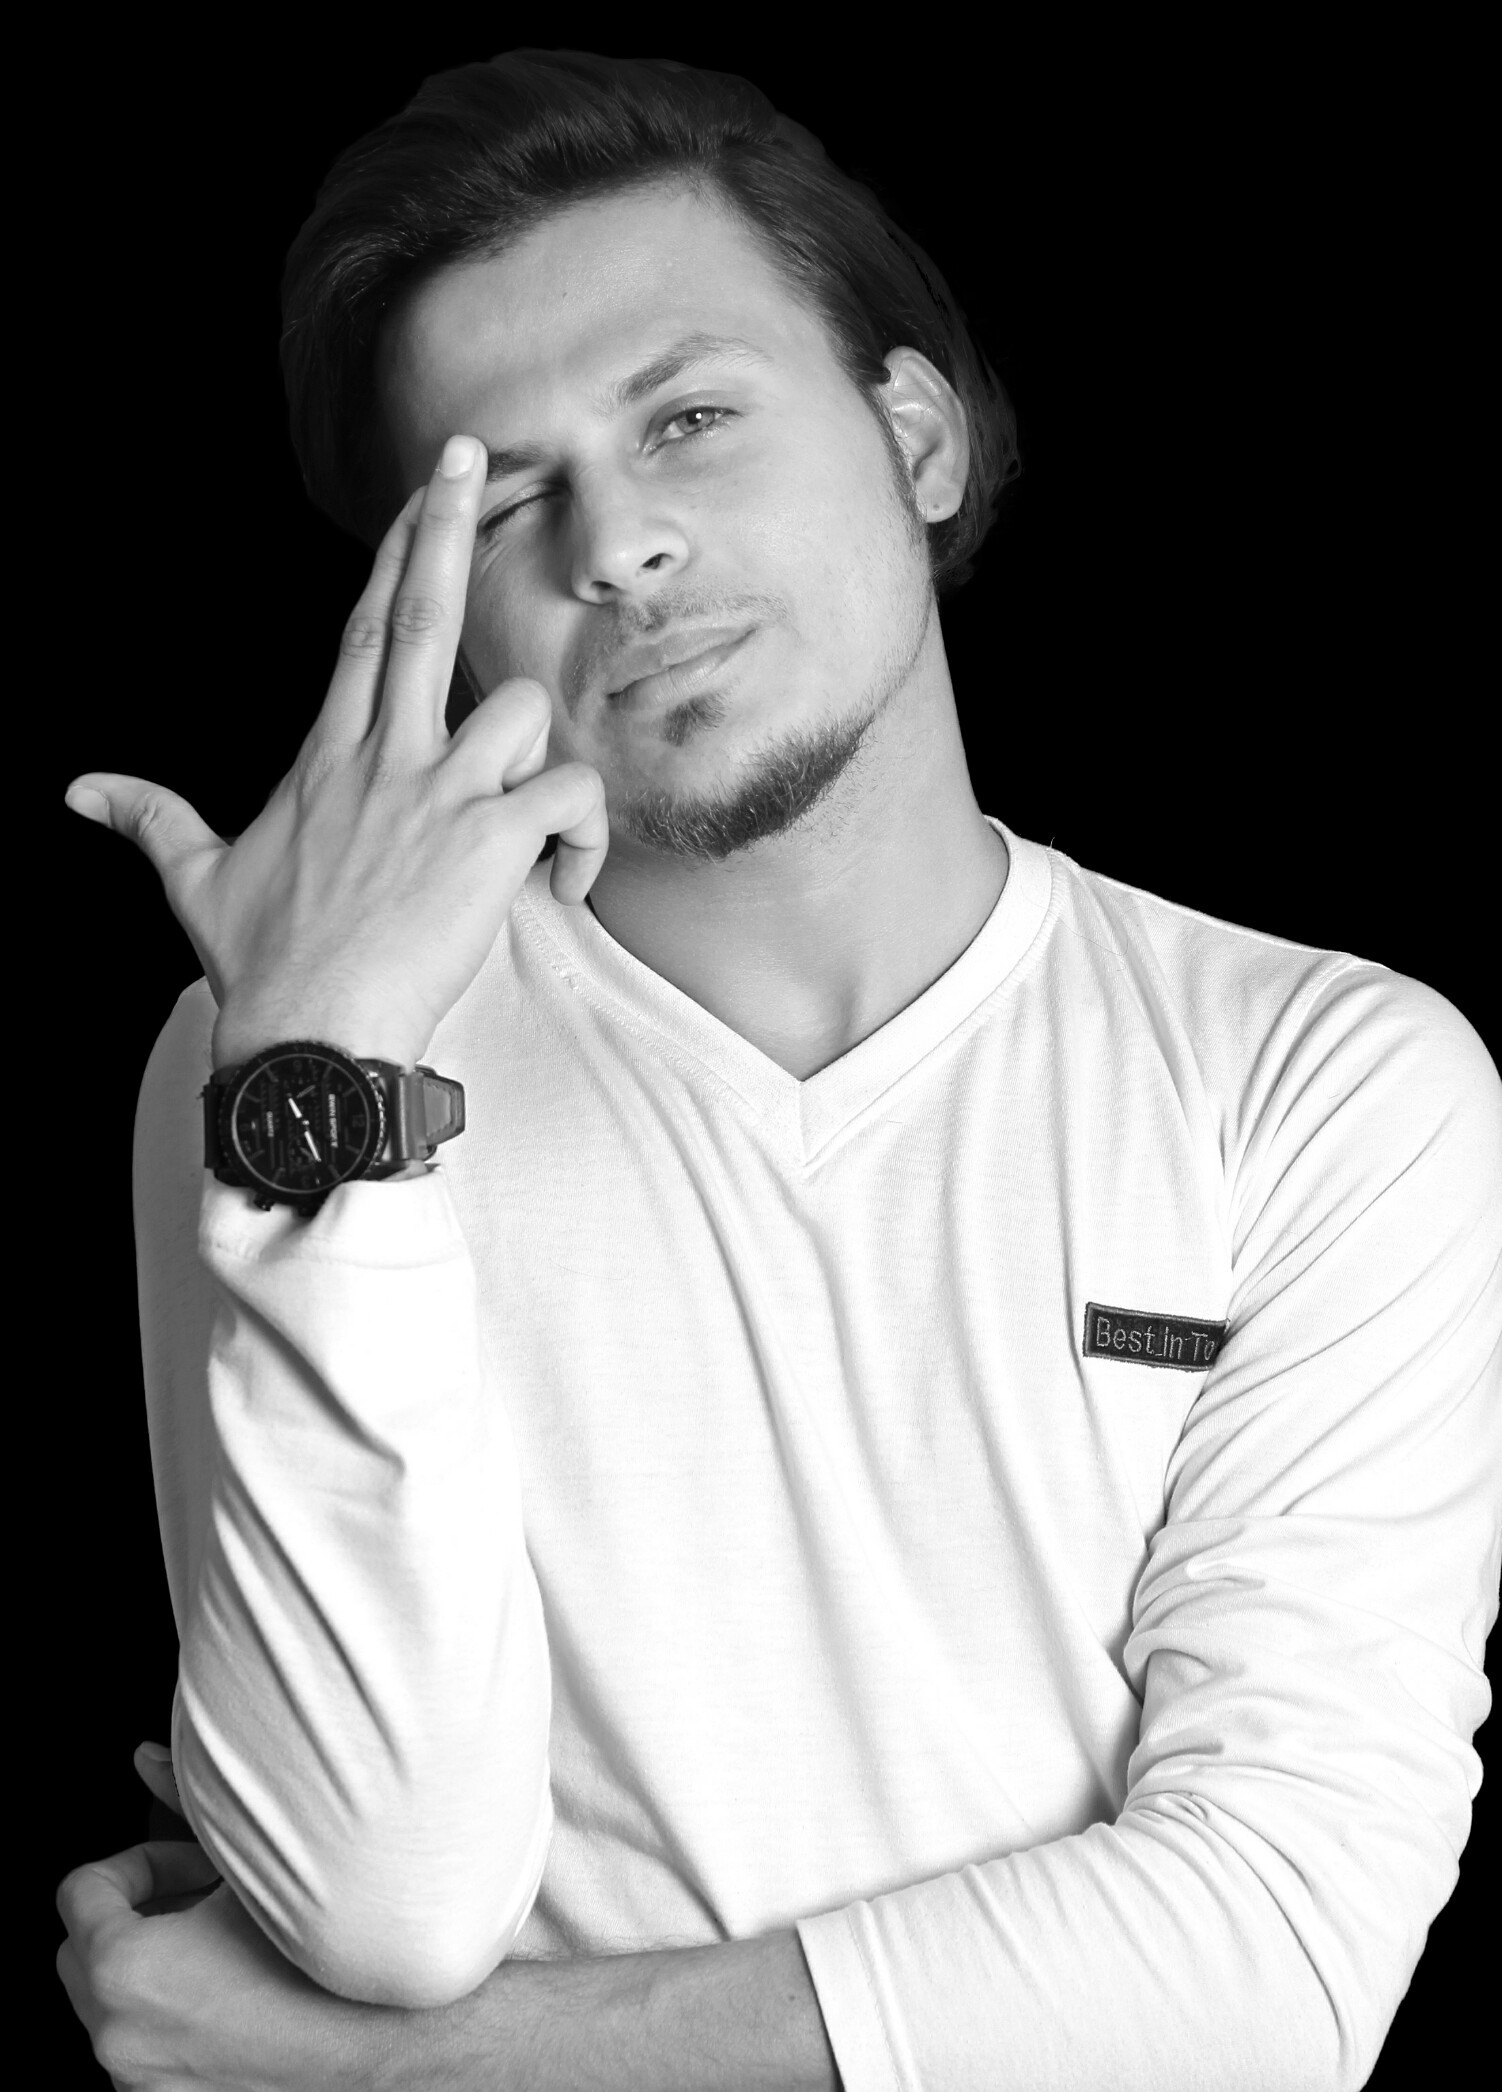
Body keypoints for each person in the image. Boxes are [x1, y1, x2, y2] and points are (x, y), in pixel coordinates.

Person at [54, 48, 1501, 2091]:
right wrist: (317, 1087)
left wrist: (375, 2070)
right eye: (508, 495)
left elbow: (1271, 1955)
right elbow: (380, 1902)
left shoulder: (1314, 1077)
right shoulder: (294, 1056)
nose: (618, 545)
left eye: (689, 419)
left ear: (916, 436)